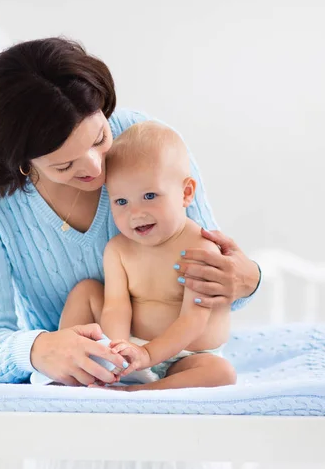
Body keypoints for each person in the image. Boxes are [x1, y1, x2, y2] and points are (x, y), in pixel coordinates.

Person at [0, 36, 261, 387]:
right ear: (22, 163)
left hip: (180, 352)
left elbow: (219, 293)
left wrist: (247, 280)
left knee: (217, 372)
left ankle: (136, 399)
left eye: (99, 138)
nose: (96, 167)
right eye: (65, 164)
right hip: (88, 363)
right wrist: (40, 349)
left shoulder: (144, 142)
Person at [59, 121, 236, 390]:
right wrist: (118, 348)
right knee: (86, 291)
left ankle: (140, 391)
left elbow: (193, 320)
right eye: (121, 202)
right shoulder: (118, 249)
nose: (135, 213)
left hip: (187, 354)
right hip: (134, 347)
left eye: (150, 195)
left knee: (221, 373)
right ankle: (71, 369)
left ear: (186, 193)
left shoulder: (201, 249)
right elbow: (116, 305)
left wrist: (149, 355)